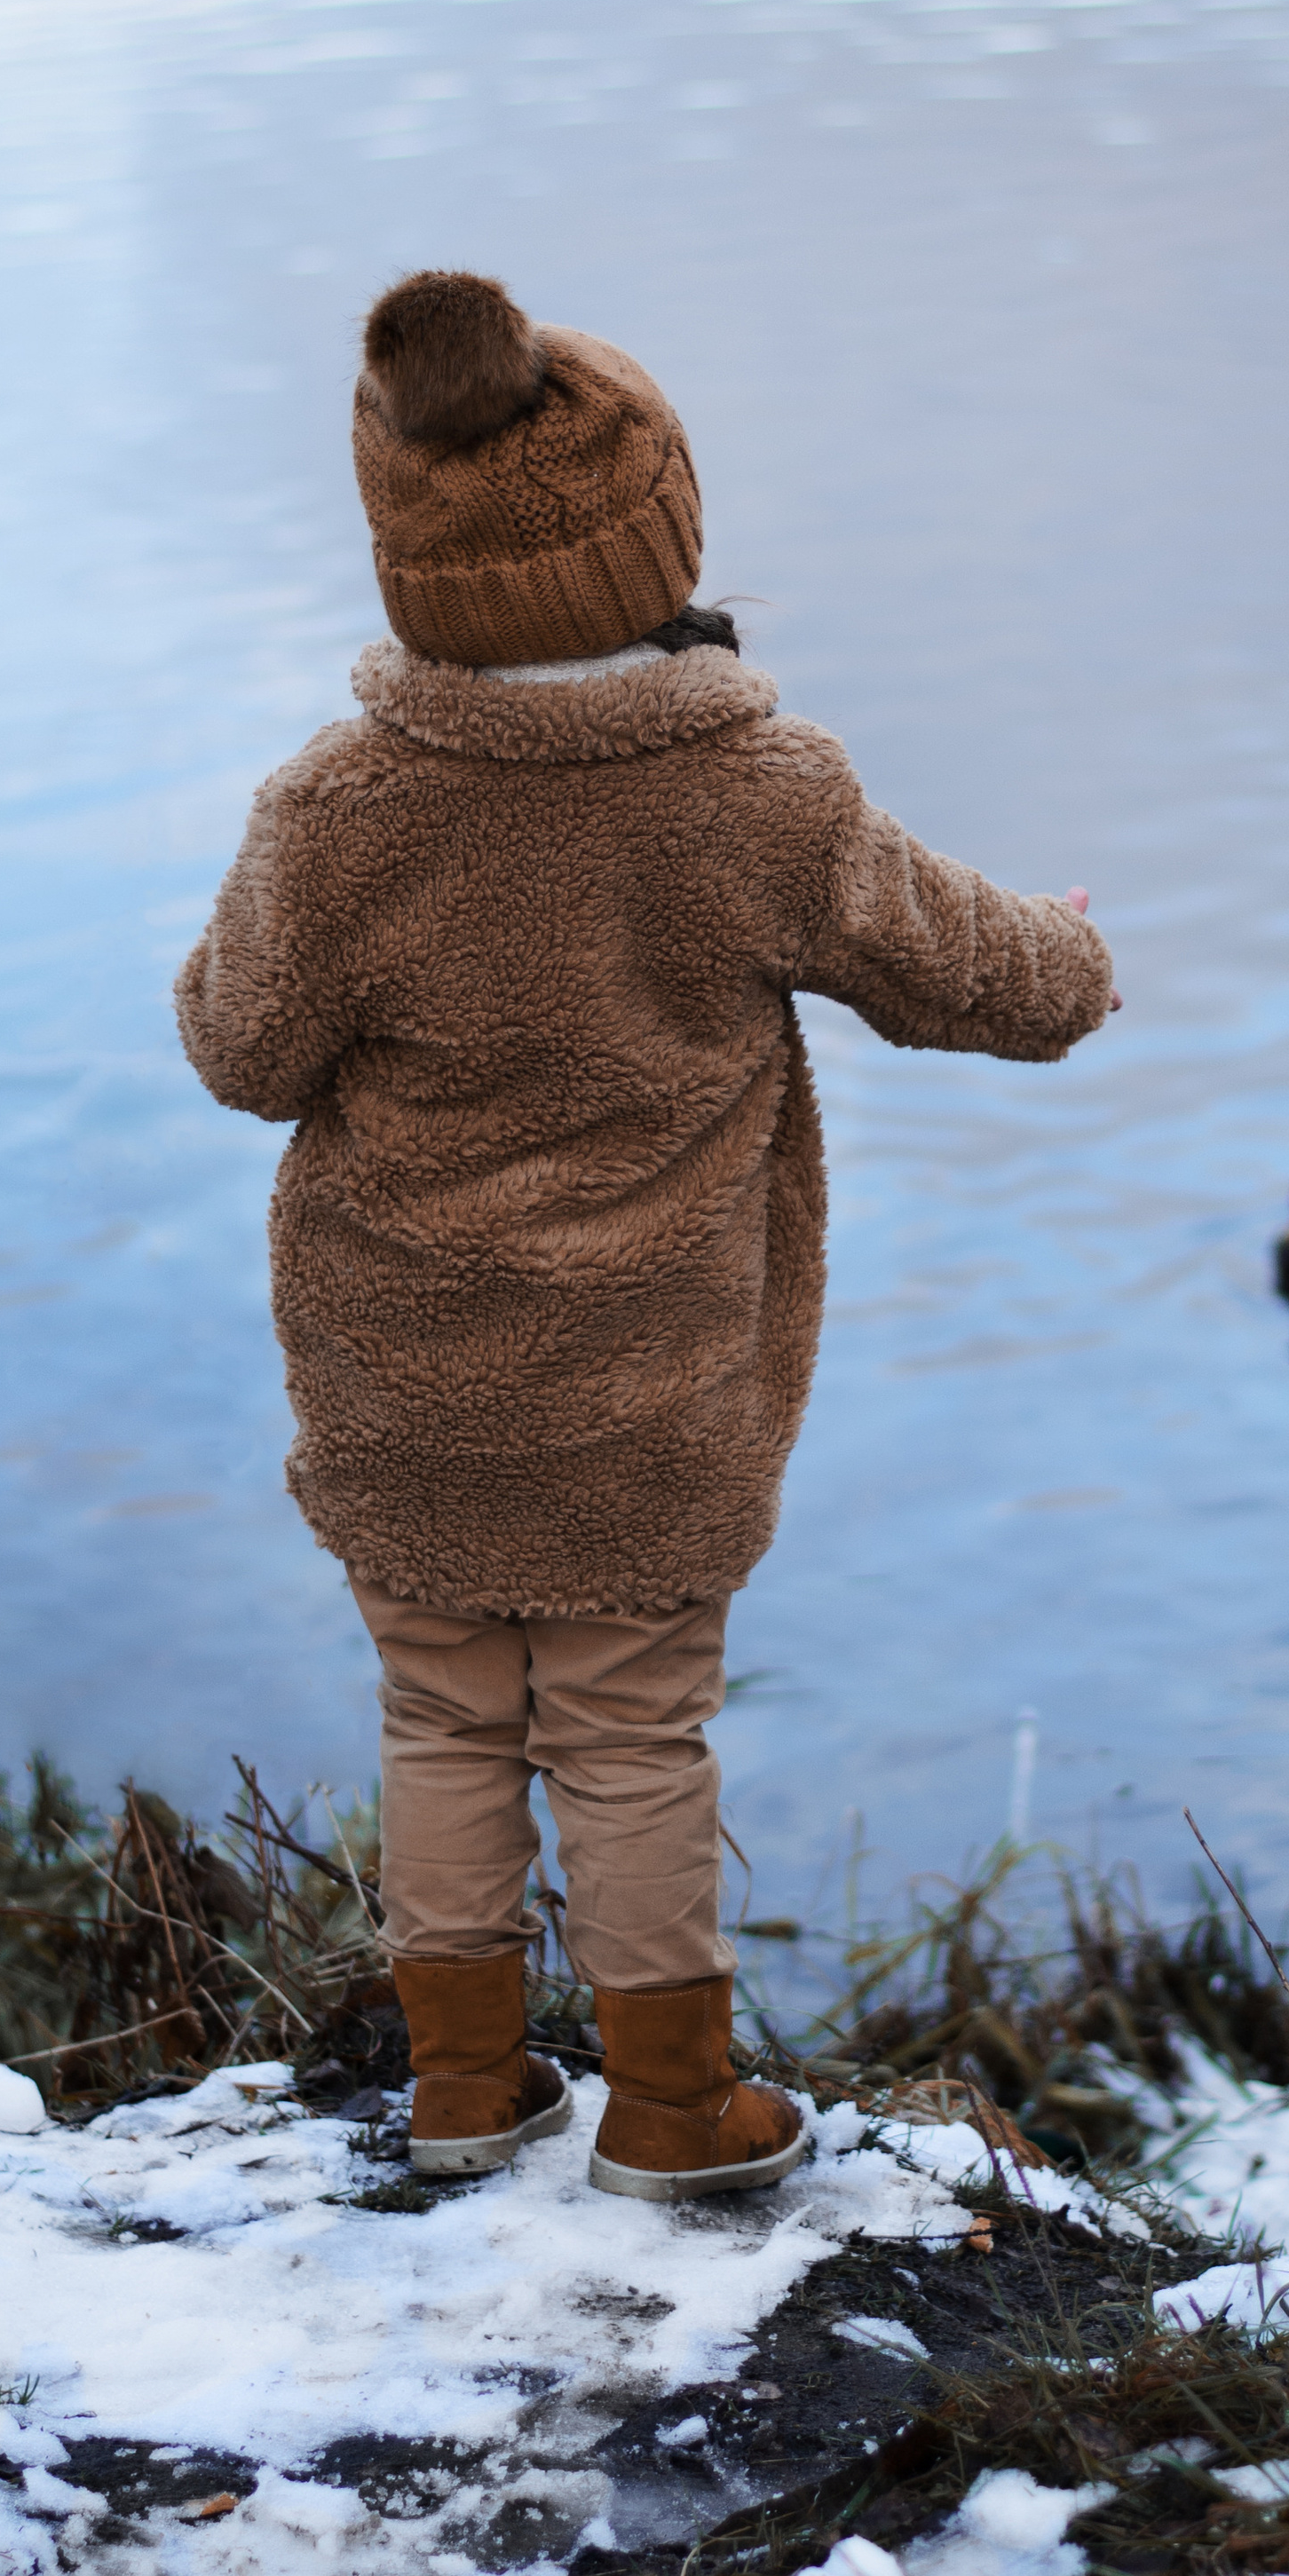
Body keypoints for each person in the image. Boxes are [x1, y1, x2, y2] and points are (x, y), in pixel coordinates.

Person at [177, 270, 1115, 2199]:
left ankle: (458, 2090)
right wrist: (1078, 952)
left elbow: (239, 1052)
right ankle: (670, 2113)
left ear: (403, 550)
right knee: (628, 1735)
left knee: (440, 1713)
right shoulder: (758, 791)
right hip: (651, 1389)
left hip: (402, 1376)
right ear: (660, 530)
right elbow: (967, 973)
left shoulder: (336, 808)